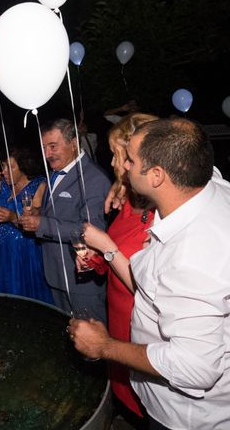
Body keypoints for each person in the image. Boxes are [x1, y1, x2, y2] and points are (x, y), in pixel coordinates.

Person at [69, 118, 230, 430]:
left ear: (158, 175)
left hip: (185, 418)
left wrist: (104, 346)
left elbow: (195, 368)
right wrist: (126, 186)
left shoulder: (190, 256)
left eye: (131, 161)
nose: (123, 167)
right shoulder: (209, 185)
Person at [76, 112, 158, 426]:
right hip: (119, 317)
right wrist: (94, 257)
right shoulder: (130, 199)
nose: (111, 163)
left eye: (117, 155)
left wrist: (105, 245)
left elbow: (147, 289)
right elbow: (119, 254)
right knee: (125, 397)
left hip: (142, 326)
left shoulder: (161, 215)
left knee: (146, 406)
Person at [19, 118, 111, 323]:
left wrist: (42, 224)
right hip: (56, 272)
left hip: (81, 278)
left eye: (53, 146)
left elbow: (91, 231)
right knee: (69, 334)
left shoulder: (94, 179)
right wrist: (38, 213)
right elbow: (58, 212)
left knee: (92, 343)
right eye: (44, 148)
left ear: (73, 142)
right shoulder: (55, 173)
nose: (47, 154)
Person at [0, 147, 52, 303]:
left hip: (24, 251)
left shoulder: (39, 185)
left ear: (24, 166)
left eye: (10, 167)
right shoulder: (3, 185)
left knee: (25, 296)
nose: (4, 171)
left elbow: (36, 220)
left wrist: (13, 217)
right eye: (3, 166)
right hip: (0, 250)